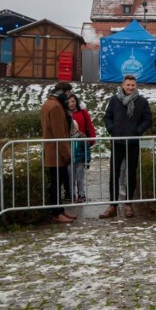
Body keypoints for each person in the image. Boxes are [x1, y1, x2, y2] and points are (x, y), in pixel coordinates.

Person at [100, 74, 153, 219]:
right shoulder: (115, 100)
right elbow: (107, 117)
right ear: (123, 85)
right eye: (128, 85)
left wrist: (138, 130)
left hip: (133, 143)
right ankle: (113, 205)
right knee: (114, 174)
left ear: (136, 86)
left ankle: (128, 204)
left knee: (131, 174)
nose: (130, 87)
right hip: (117, 142)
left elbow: (148, 119)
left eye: (133, 85)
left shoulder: (141, 101)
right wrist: (112, 128)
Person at [40, 81, 78, 223]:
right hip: (56, 152)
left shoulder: (49, 103)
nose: (69, 97)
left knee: (58, 182)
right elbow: (59, 134)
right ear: (64, 92)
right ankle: (56, 212)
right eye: (68, 93)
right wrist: (67, 154)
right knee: (56, 183)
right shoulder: (56, 107)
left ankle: (60, 210)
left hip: (53, 150)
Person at [67, 93, 96, 203]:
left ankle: (81, 194)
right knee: (70, 176)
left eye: (73, 101)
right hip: (69, 145)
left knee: (79, 175)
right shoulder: (64, 113)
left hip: (81, 143)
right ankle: (71, 194)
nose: (71, 104)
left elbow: (89, 125)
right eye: (69, 102)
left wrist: (91, 140)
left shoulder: (83, 112)